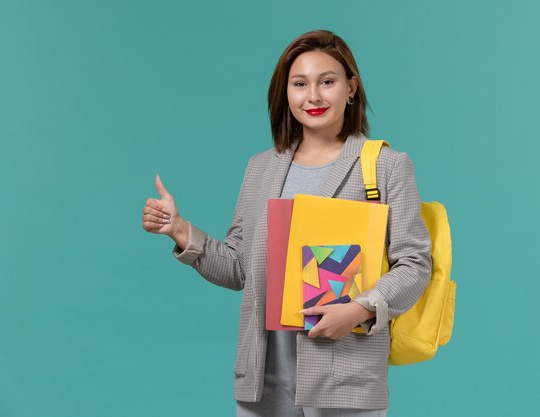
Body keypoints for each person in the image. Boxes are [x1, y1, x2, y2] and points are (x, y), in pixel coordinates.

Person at [142, 29, 431, 417]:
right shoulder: (261, 168)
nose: (313, 96)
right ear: (286, 93)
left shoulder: (385, 166)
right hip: (265, 382)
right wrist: (179, 229)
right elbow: (238, 268)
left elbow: (414, 264)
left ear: (351, 88)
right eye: (300, 84)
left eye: (327, 82)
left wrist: (360, 309)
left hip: (343, 380)